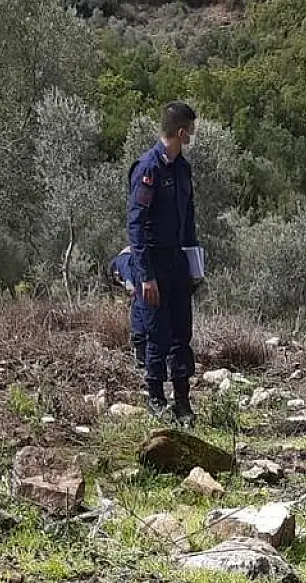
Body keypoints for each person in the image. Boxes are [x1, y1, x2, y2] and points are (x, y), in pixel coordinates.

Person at [127, 101, 201, 425]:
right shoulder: (148, 169)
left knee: (181, 333)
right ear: (181, 132)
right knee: (157, 334)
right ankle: (155, 398)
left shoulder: (183, 169)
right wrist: (145, 275)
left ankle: (182, 400)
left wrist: (195, 267)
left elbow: (189, 222)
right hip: (153, 264)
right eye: (191, 131)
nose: (193, 136)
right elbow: (136, 226)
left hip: (177, 262)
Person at [108, 246, 147, 370]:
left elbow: (129, 284)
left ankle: (142, 361)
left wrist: (130, 288)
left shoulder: (120, 262)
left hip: (140, 286)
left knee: (139, 316)